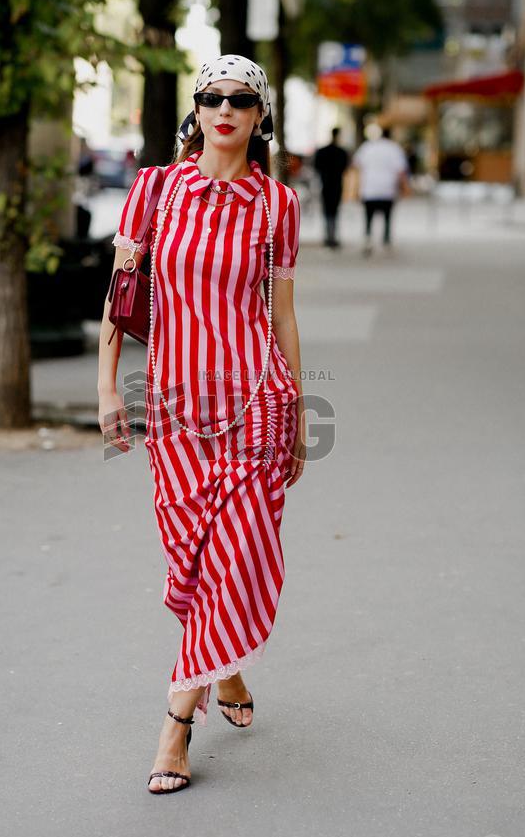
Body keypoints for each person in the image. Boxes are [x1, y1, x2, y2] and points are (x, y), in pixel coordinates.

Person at [97, 55, 307, 795]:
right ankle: (229, 666)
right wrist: (105, 389)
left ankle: (175, 726)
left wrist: (300, 413)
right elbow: (121, 296)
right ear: (197, 109)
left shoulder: (279, 204)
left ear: (260, 116)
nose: (225, 109)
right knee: (193, 560)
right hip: (176, 407)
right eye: (212, 97)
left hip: (257, 402)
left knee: (238, 548)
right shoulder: (155, 189)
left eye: (241, 100)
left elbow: (281, 314)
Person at [352, 126, 409, 257]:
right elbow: (401, 170)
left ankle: (368, 238)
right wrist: (406, 188)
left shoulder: (367, 147)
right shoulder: (394, 148)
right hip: (387, 189)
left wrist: (355, 189)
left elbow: (356, 165)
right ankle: (386, 239)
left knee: (368, 216)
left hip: (369, 188)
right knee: (387, 215)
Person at [313, 127, 349, 249]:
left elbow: (316, 166)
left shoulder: (322, 151)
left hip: (325, 184)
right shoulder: (342, 152)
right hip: (337, 184)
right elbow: (345, 168)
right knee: (334, 211)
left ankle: (328, 236)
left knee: (327, 211)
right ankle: (332, 236)